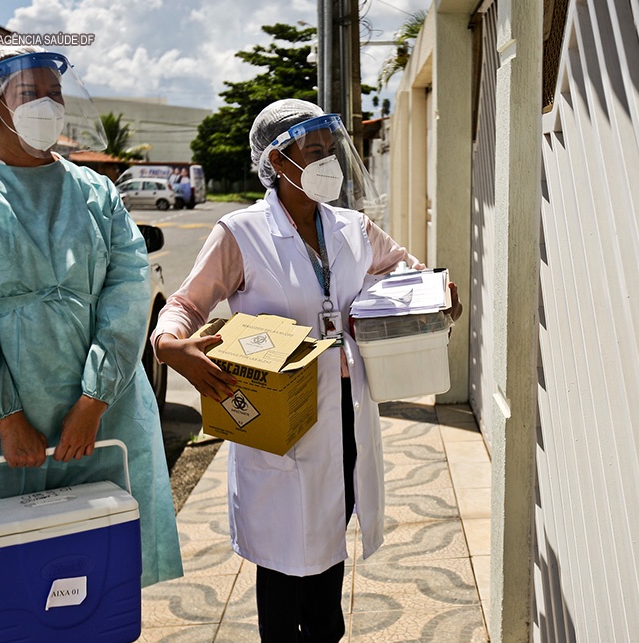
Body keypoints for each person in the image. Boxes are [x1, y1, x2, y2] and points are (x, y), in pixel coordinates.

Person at [153, 99, 462, 642]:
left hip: (344, 410)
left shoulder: (353, 228)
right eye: (313, 151)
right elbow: (186, 304)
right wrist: (168, 343)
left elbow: (408, 275)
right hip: (281, 414)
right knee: (281, 561)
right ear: (277, 160)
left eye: (330, 149)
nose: (328, 162)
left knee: (328, 541)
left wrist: (437, 300)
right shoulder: (241, 232)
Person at [0, 45, 183, 639]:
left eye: (54, 94)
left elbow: (128, 293)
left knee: (84, 574)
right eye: (29, 94)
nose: (46, 106)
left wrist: (94, 400)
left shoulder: (96, 193)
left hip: (96, 418)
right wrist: (7, 416)